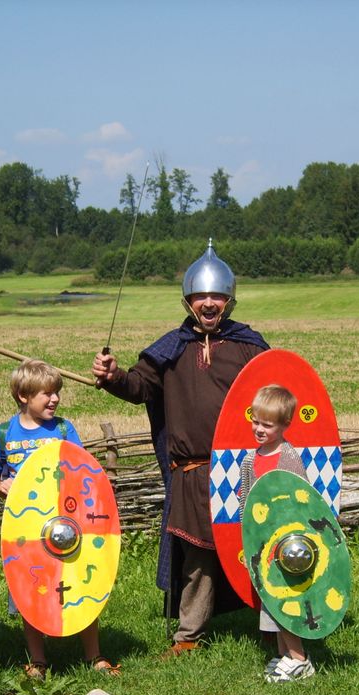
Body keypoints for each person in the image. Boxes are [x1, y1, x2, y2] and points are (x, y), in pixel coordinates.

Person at [91, 240, 269, 657]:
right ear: (188, 300)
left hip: (244, 468)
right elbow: (137, 386)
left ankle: (273, 625)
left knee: (257, 546)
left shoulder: (249, 347)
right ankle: (189, 635)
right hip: (192, 470)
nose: (208, 303)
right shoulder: (171, 348)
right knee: (197, 555)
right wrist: (113, 376)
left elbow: (277, 393)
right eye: (201, 296)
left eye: (216, 296)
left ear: (229, 299)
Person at [0, 358, 118, 678]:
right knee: (30, 591)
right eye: (47, 393)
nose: (55, 399)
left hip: (68, 524)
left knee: (80, 585)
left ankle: (94, 655)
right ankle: (38, 660)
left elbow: (82, 468)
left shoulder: (63, 429)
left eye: (56, 392)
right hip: (26, 530)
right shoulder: (3, 434)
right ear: (24, 396)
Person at [236, 384, 314, 683]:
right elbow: (246, 501)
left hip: (286, 543)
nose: (259, 429)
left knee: (284, 599)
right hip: (262, 541)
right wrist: (249, 538)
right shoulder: (250, 459)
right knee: (271, 598)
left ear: (285, 425)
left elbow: (302, 498)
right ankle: (285, 656)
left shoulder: (288, 458)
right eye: (256, 421)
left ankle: (299, 659)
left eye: (267, 425)